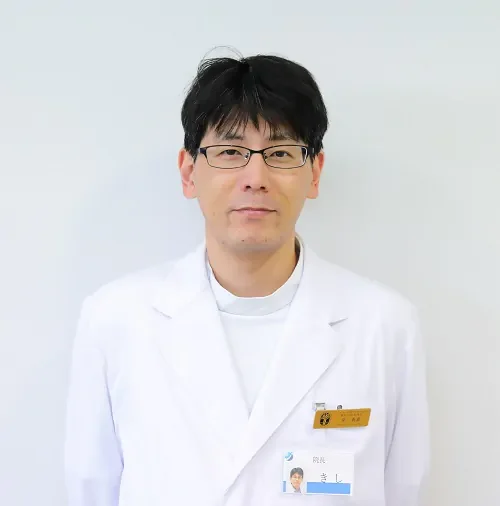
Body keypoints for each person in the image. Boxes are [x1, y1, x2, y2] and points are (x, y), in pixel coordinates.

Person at [64, 53, 430, 506]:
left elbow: (403, 490)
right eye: (230, 152)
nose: (255, 178)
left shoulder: (384, 325)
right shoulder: (116, 320)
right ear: (188, 172)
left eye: (280, 153)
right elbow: (91, 489)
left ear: (314, 172)